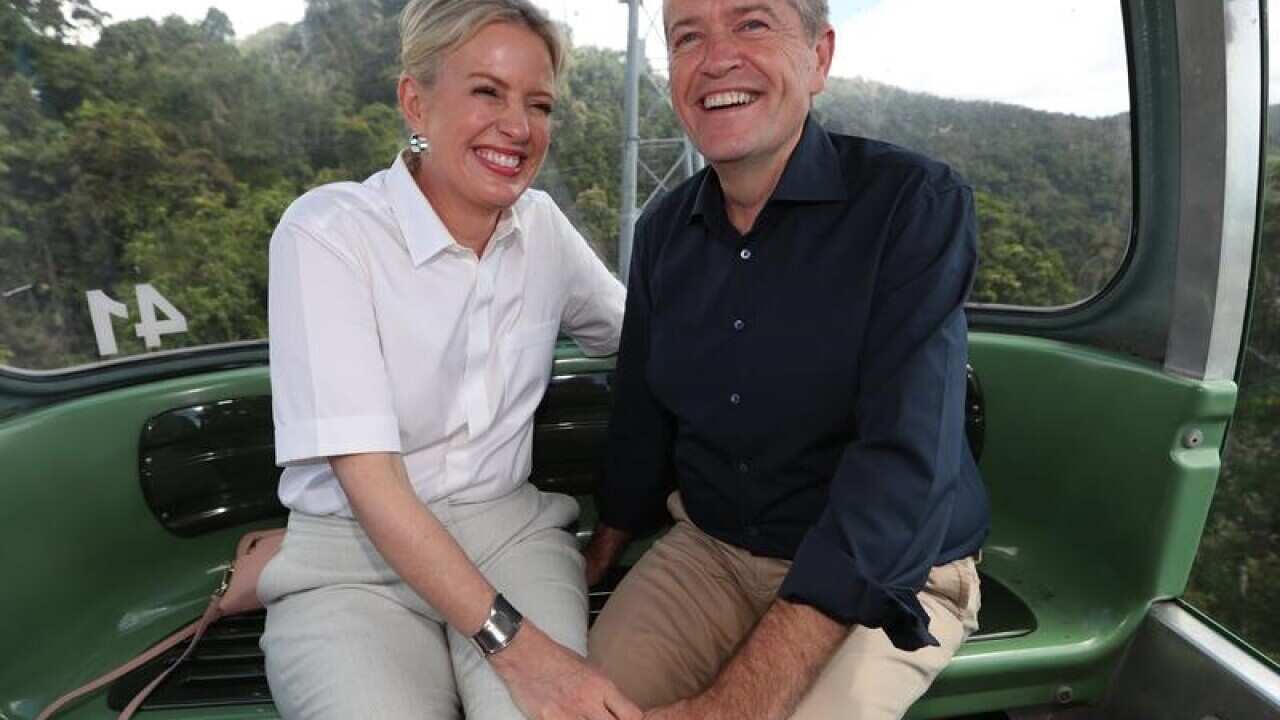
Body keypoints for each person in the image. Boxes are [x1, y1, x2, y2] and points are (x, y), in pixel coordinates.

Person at [583, 1, 990, 718]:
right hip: (713, 550)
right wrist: (602, 544)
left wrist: (738, 704)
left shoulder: (910, 206)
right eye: (687, 37)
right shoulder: (663, 233)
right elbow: (641, 419)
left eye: (752, 23)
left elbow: (902, 466)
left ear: (819, 57)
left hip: (891, 571)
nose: (716, 58)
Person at [259, 2, 639, 719]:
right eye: (486, 92)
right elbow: (370, 483)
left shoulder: (545, 230)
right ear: (415, 100)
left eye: (539, 104)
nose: (519, 128)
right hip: (355, 560)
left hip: (511, 540)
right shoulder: (329, 234)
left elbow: (644, 338)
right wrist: (523, 654)